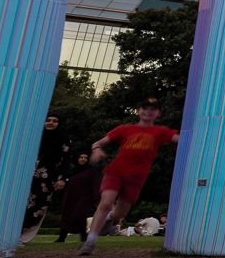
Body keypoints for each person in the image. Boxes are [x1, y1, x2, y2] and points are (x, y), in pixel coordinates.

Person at [77, 97, 180, 255]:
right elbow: (97, 143)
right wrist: (96, 149)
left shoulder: (161, 132)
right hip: (115, 172)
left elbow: (181, 139)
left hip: (136, 178)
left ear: (158, 113)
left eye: (152, 109)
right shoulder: (125, 128)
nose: (148, 112)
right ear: (138, 111)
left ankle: (111, 216)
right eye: (144, 108)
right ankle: (90, 241)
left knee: (120, 214)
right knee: (106, 202)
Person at [54, 153, 102, 244]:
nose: (83, 159)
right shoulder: (72, 171)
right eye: (81, 157)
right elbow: (65, 183)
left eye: (85, 157)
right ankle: (62, 238)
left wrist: (96, 197)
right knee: (66, 216)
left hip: (84, 198)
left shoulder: (91, 170)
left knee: (80, 215)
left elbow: (95, 184)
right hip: (70, 197)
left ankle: (84, 237)